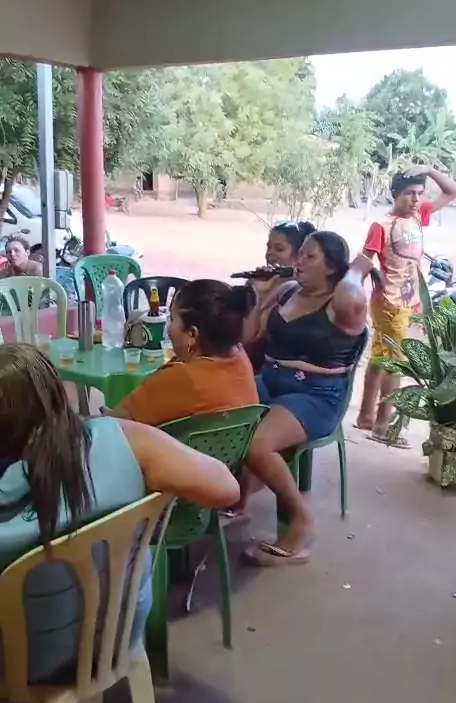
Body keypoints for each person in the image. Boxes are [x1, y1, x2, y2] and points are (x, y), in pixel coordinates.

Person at [0, 343, 240, 683]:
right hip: (118, 633)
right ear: (56, 393)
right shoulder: (124, 440)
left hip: (23, 660)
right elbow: (226, 488)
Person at [242, 231, 367, 567]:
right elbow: (249, 335)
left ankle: (301, 520)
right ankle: (237, 496)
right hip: (270, 381)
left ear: (332, 268)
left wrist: (357, 269)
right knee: (218, 411)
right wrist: (261, 298)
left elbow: (351, 294)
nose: (299, 262)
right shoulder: (286, 291)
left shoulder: (344, 304)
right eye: (300, 255)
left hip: (315, 394)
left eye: (310, 257)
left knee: (258, 444)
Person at [353, 164, 456, 447]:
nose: (415, 199)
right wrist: (350, 288)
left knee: (380, 357)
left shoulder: (418, 215)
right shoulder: (382, 226)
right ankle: (382, 427)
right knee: (396, 364)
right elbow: (364, 261)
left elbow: (453, 191)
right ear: (395, 194)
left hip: (407, 302)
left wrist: (429, 170)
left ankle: (366, 416)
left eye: (419, 193)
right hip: (390, 303)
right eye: (409, 193)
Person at [108, 279, 259, 425]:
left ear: (192, 334)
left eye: (172, 319)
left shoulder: (183, 378)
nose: (168, 327)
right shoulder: (241, 359)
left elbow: (111, 423)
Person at [244, 220, 315, 371]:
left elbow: (252, 337)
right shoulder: (261, 283)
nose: (270, 253)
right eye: (268, 247)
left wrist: (260, 297)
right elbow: (241, 335)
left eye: (279, 249)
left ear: (299, 256)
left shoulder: (296, 293)